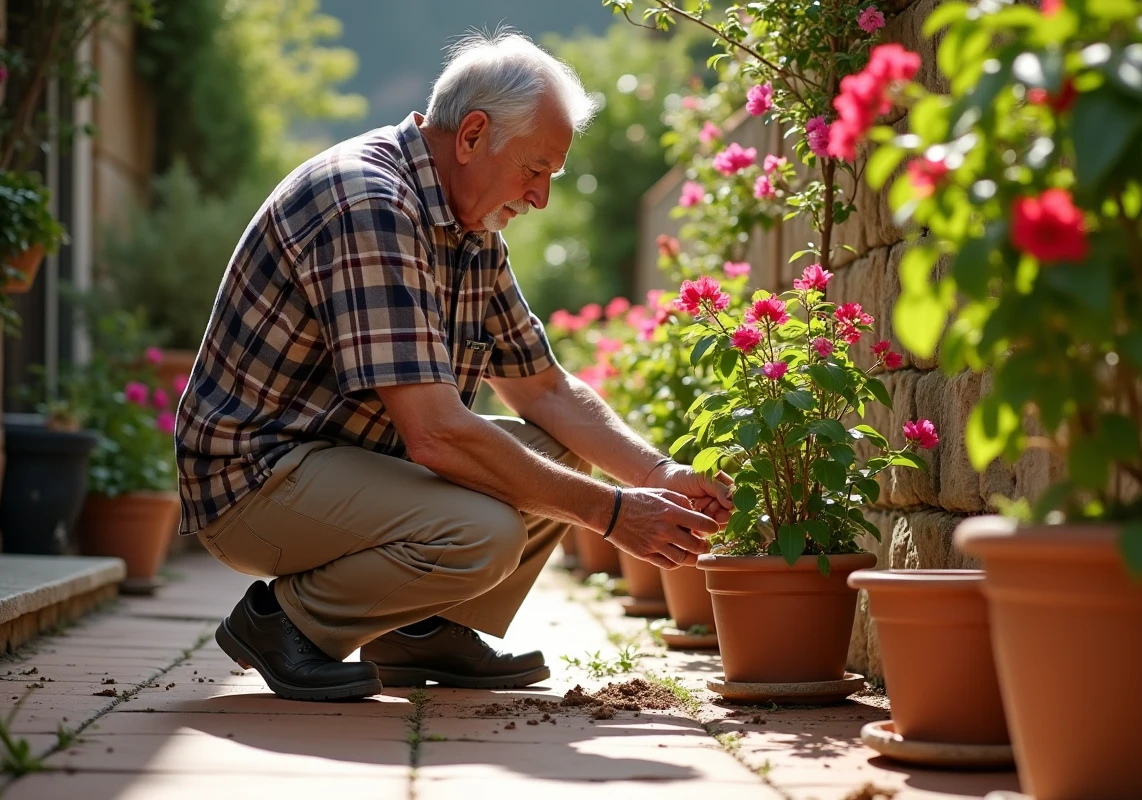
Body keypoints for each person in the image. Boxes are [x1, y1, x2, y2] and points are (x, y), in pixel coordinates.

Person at [174, 30, 732, 702]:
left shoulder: (469, 228)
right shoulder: (370, 203)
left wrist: (658, 475)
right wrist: (612, 515)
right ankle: (282, 624)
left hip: (340, 461)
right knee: (483, 534)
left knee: (556, 451)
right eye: (535, 170)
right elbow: (435, 434)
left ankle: (420, 628)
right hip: (252, 480)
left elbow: (546, 389)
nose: (540, 199)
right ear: (471, 136)